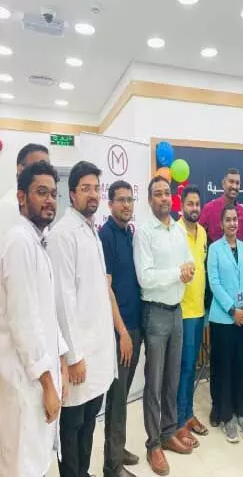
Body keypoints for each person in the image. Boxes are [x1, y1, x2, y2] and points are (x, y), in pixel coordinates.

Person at [48, 161, 118, 477]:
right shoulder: (63, 234)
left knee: (89, 422)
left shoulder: (91, 230)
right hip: (79, 359)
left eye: (96, 188)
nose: (92, 194)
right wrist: (74, 356)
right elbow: (62, 300)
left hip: (96, 354)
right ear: (72, 193)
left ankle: (84, 473)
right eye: (85, 188)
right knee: (72, 428)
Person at [0, 161, 68, 477]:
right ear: (21, 197)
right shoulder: (19, 242)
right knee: (21, 466)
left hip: (41, 378)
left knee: (36, 461)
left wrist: (62, 362)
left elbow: (46, 314)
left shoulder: (38, 241)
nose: (50, 200)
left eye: (53, 193)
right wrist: (48, 384)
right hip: (25, 382)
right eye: (41, 192)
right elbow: (23, 321)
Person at [133, 175, 196, 475]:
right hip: (155, 314)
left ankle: (169, 431)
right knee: (154, 382)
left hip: (176, 311)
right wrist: (177, 273)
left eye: (166, 193)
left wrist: (188, 271)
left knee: (172, 378)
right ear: (149, 200)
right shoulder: (144, 233)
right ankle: (153, 444)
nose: (163, 198)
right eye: (157, 194)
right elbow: (145, 278)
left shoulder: (178, 230)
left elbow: (188, 263)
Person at [100, 180, 142, 477]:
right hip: (120, 332)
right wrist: (123, 332)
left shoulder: (129, 234)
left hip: (135, 327)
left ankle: (118, 448)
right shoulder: (105, 236)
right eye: (121, 200)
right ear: (110, 203)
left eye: (130, 200)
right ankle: (112, 467)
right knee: (116, 399)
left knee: (123, 396)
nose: (126, 205)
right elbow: (107, 289)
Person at [207, 204, 243, 444]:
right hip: (223, 318)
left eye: (235, 219)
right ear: (221, 223)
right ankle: (226, 416)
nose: (232, 223)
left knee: (241, 366)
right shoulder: (215, 249)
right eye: (227, 220)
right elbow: (214, 282)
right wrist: (232, 309)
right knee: (224, 368)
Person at [176, 186, 208, 445]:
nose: (194, 208)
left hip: (199, 311)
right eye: (190, 203)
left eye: (197, 204)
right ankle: (179, 420)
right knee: (183, 368)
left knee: (192, 367)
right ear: (182, 205)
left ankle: (187, 414)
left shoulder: (203, 232)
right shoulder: (174, 232)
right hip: (182, 311)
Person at [0, 143, 49, 241]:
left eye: (47, 167)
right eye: (39, 167)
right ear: (20, 169)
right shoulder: (8, 206)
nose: (46, 172)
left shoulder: (43, 203)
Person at [200, 168, 243, 243]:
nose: (234, 186)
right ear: (223, 183)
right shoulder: (209, 209)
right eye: (231, 182)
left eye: (237, 183)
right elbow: (199, 237)